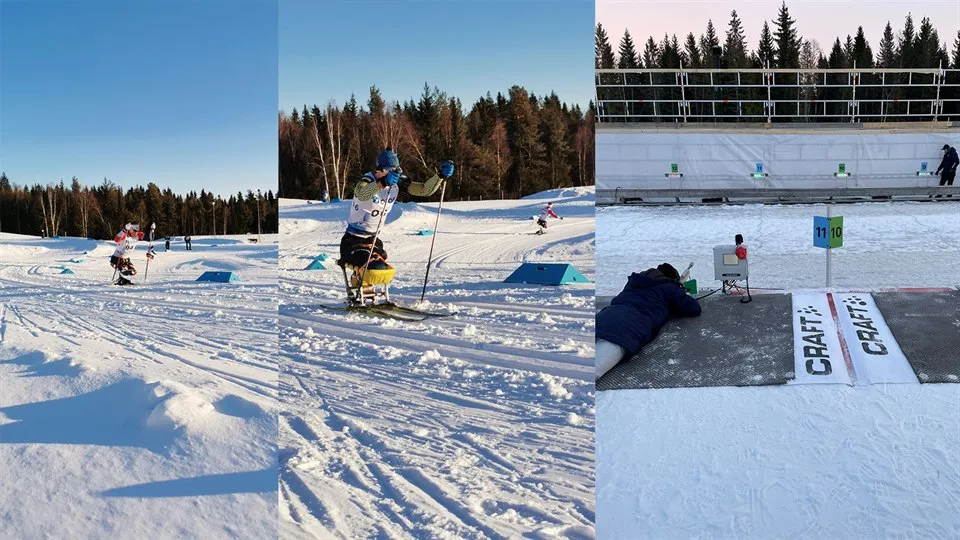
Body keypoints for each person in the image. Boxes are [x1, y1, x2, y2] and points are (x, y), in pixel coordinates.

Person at [338, 147, 454, 296]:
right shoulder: (367, 180)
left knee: (381, 266)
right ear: (379, 169)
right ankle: (359, 281)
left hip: (374, 240)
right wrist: (382, 183)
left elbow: (424, 190)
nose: (394, 174)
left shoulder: (397, 182)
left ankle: (363, 282)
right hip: (353, 240)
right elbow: (362, 194)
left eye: (396, 170)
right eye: (389, 171)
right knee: (372, 264)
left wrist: (439, 176)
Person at [595, 263, 702, 378]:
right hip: (626, 328)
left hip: (604, 316)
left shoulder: (635, 282)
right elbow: (694, 308)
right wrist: (678, 289)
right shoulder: (669, 286)